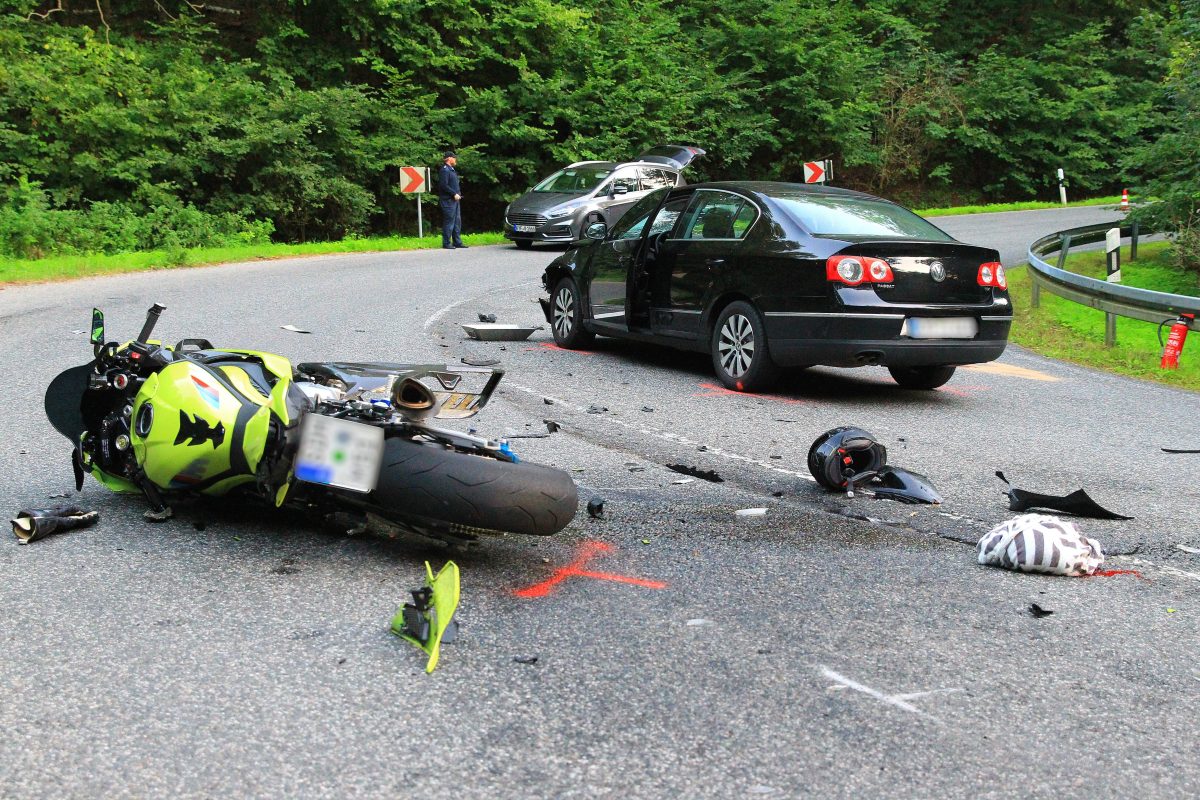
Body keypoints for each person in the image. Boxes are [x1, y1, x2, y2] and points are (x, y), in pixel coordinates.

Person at [437, 151, 467, 249]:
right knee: (449, 222)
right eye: (454, 158)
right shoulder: (445, 170)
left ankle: (457, 242)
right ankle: (446, 243)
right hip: (448, 200)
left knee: (457, 222)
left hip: (455, 200)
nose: (455, 160)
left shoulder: (451, 170)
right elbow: (443, 185)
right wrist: (454, 193)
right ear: (449, 158)